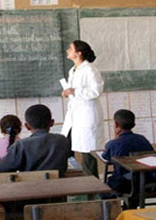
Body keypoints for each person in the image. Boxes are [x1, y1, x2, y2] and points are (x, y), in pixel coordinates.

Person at [61, 40, 105, 178]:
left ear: (78, 53)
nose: (67, 50)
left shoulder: (90, 69)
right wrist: (69, 92)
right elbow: (75, 91)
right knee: (66, 146)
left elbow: (96, 91)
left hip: (87, 115)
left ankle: (93, 189)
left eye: (70, 48)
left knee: (88, 153)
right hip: (75, 115)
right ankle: (76, 184)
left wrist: (75, 91)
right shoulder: (72, 70)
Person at [0, 104, 70, 182]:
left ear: (27, 126)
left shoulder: (20, 145)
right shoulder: (62, 140)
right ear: (52, 122)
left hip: (29, 190)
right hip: (58, 190)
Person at [102, 109, 154, 197]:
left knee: (104, 190)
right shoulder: (142, 139)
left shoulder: (114, 143)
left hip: (124, 184)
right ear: (133, 125)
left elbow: (106, 156)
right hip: (145, 181)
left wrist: (116, 138)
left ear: (115, 124)